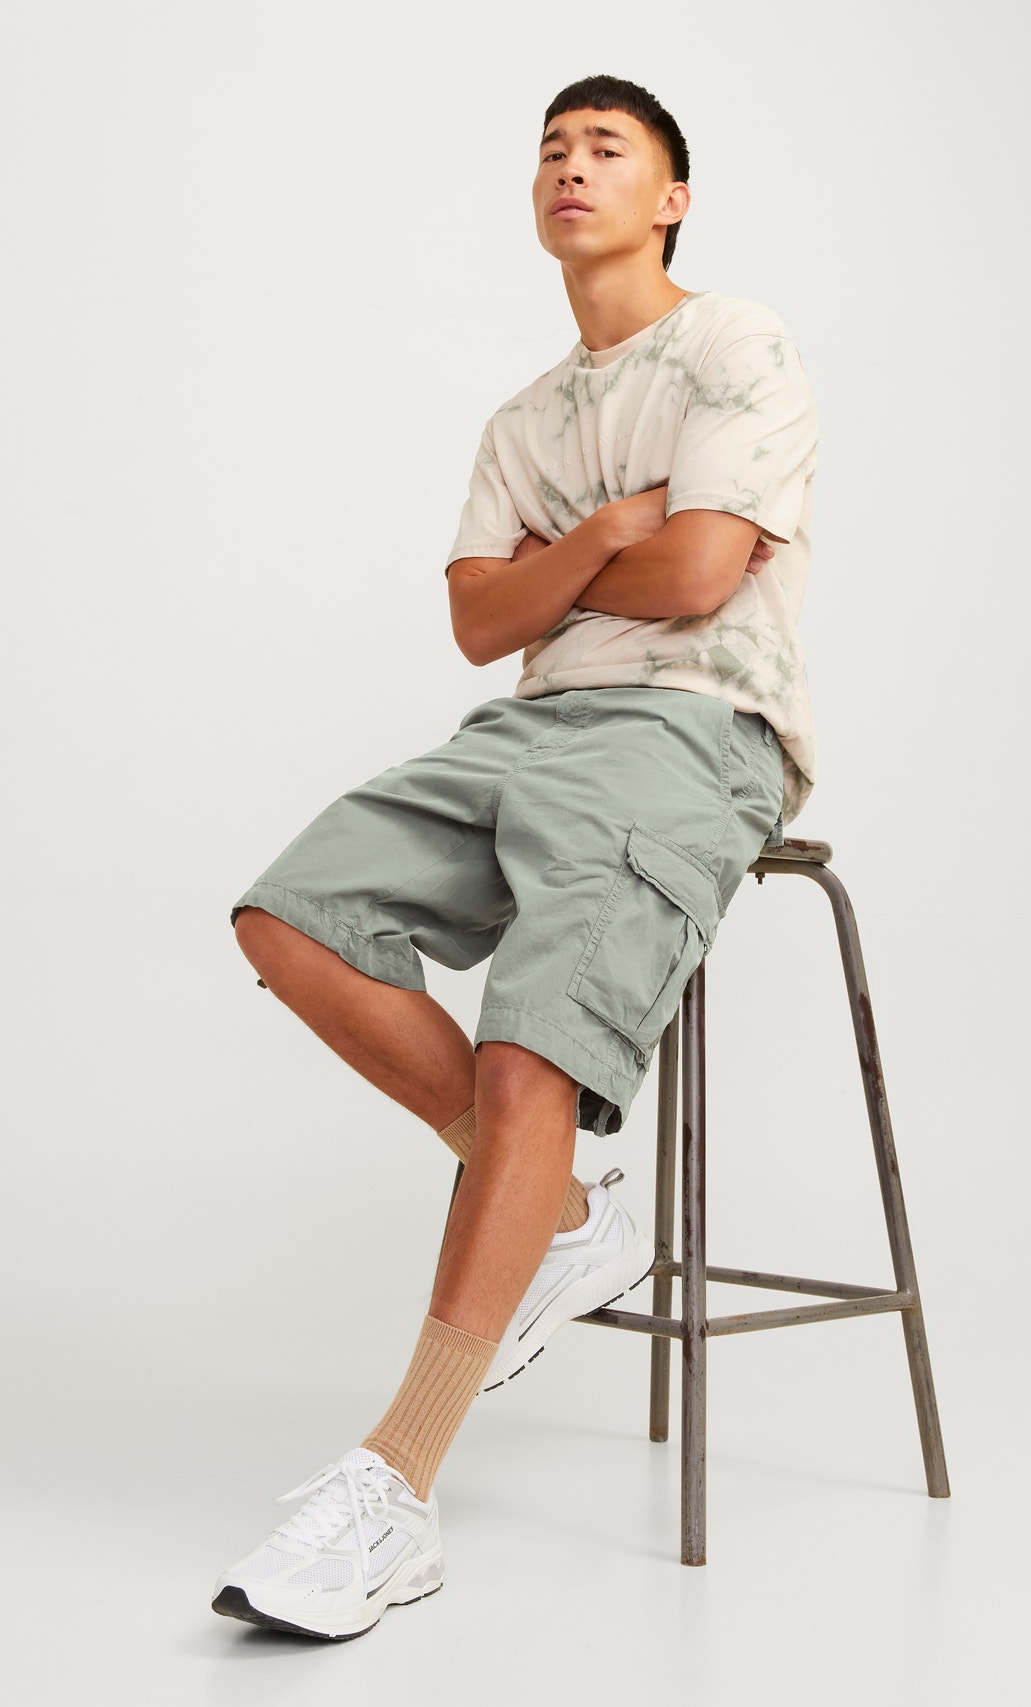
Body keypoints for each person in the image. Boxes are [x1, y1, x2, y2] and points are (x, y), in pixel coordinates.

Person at [211, 71, 820, 1641]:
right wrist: (610, 533)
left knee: (528, 1041)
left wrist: (572, 568)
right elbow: (481, 626)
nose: (570, 167)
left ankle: (395, 1492)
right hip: (531, 729)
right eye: (550, 149)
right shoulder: (523, 422)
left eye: (607, 148)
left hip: (694, 731)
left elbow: (702, 576)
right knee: (293, 914)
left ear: (672, 198)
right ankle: (556, 1213)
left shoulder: (734, 344)